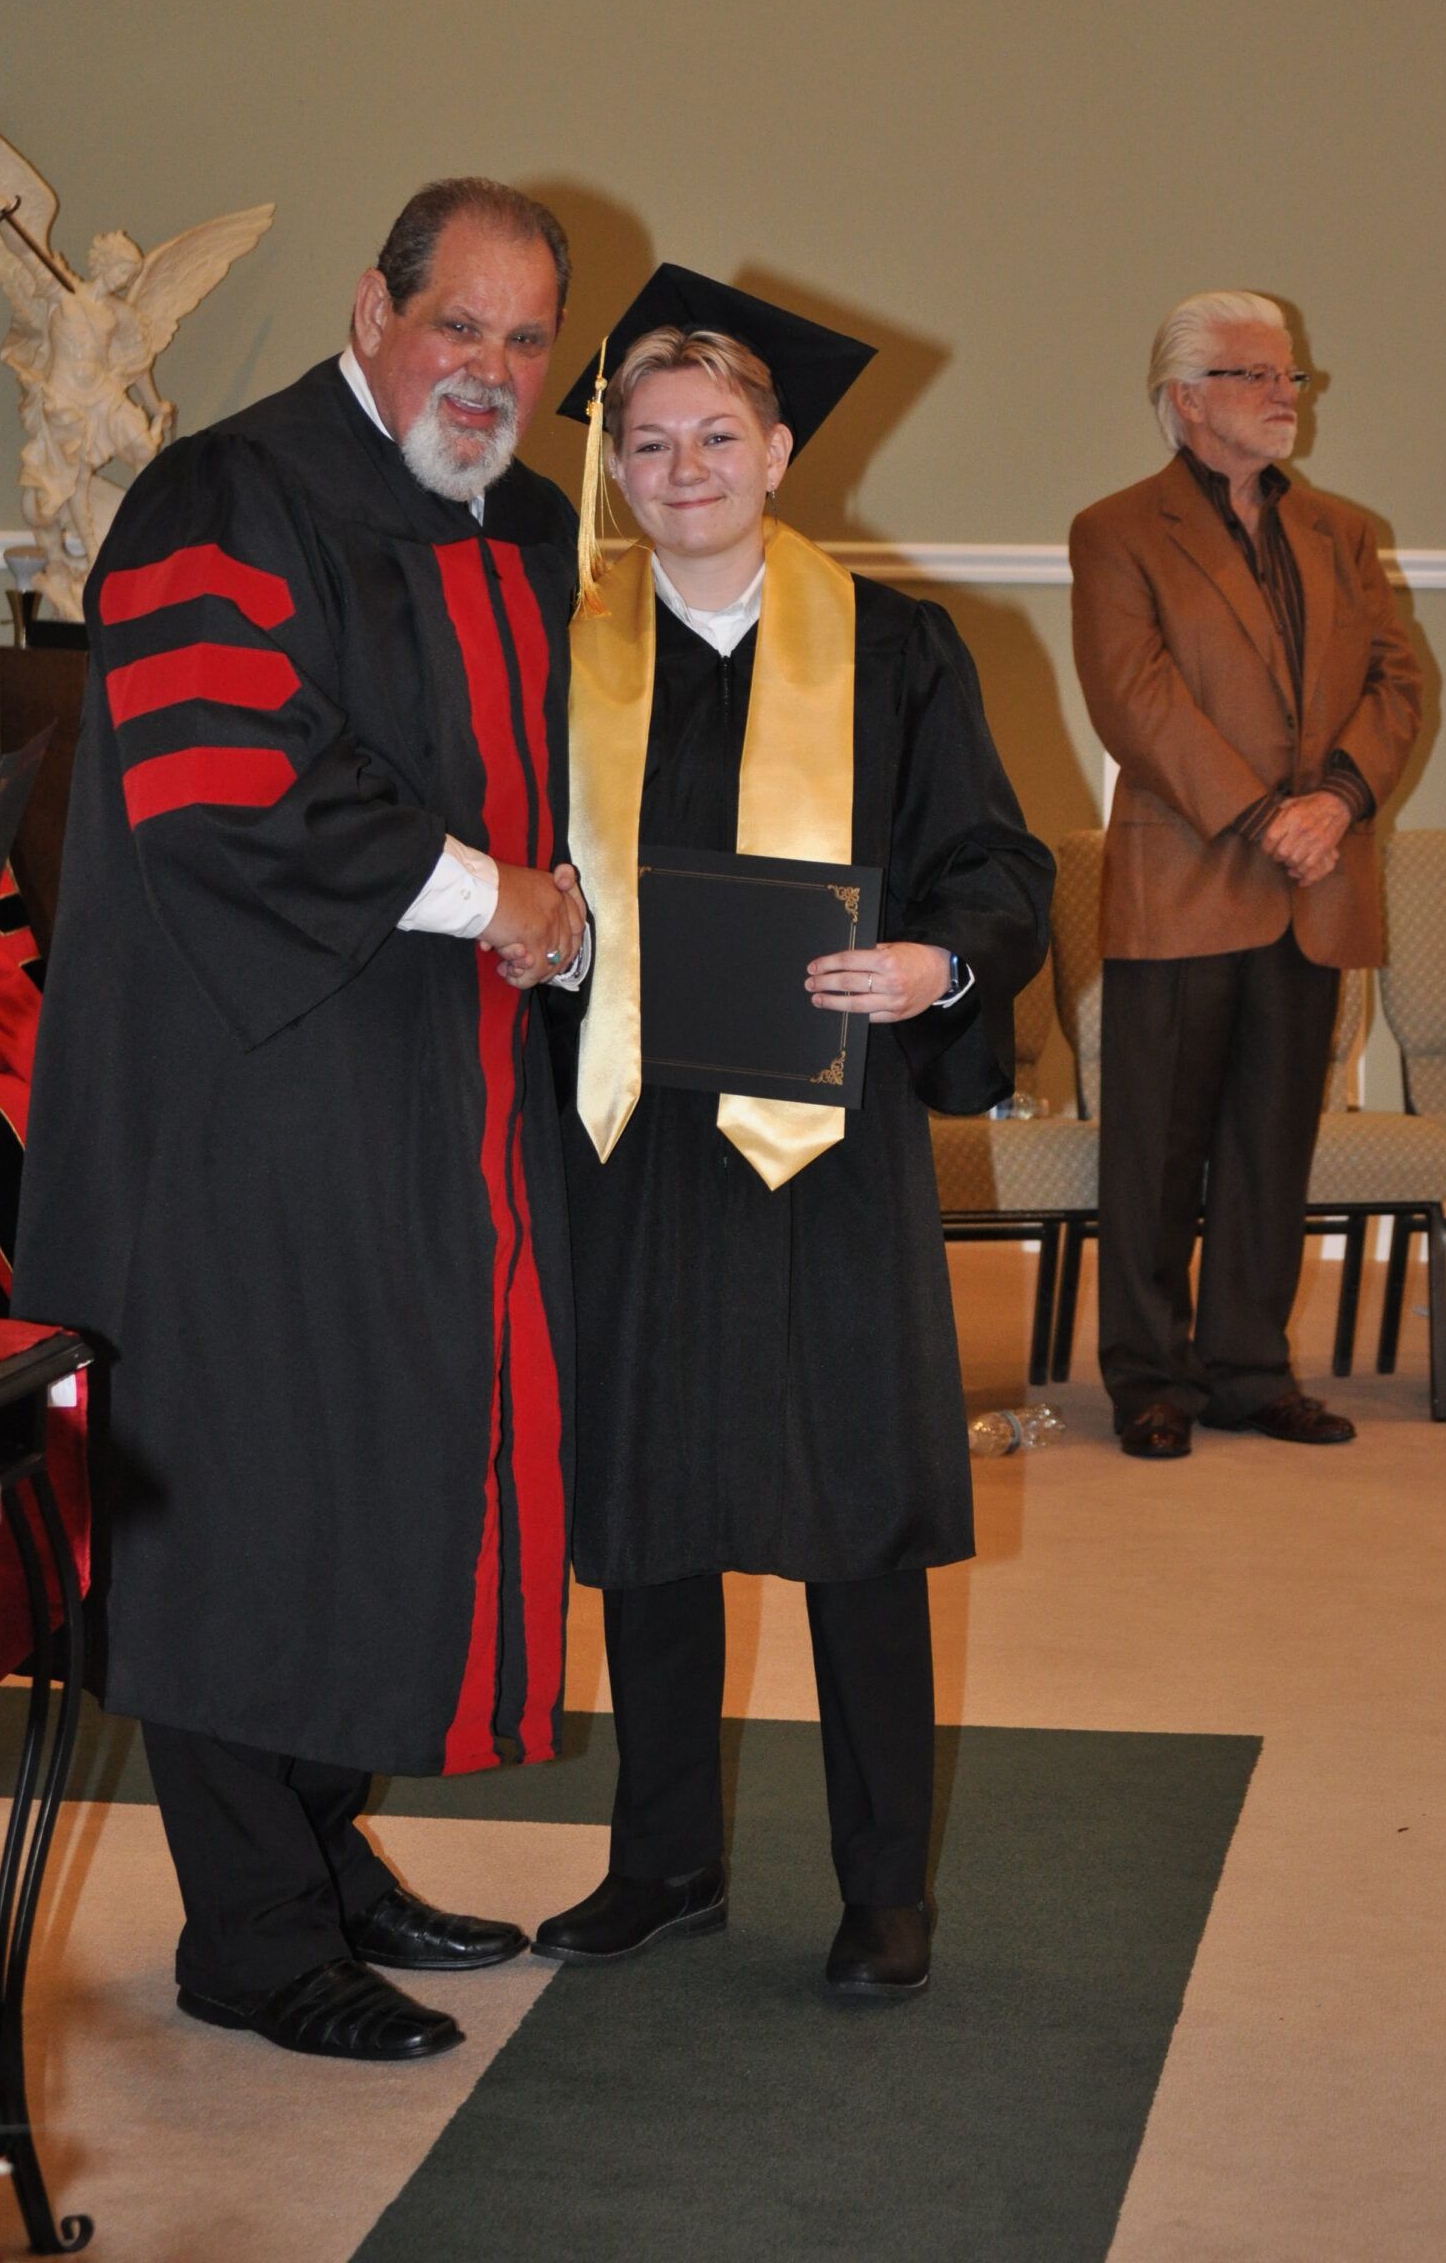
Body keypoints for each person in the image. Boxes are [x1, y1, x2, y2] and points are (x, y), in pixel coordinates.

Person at [12, 178, 588, 2060]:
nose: (489, 373)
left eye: (524, 341)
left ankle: (327, 1856)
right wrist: (486, 894)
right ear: (372, 305)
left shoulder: (521, 520)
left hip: (438, 1094)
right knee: (252, 1489)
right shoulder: (224, 499)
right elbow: (218, 770)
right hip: (241, 1103)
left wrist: (577, 915)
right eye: (460, 327)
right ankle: (250, 1935)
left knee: (398, 1466)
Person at [532, 268, 1052, 1996]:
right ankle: (665, 1856)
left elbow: (997, 867)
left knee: (856, 1517)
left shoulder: (895, 647)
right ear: (619, 468)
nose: (681, 468)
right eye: (651, 443)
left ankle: (884, 1883)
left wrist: (936, 963)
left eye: (716, 437)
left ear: (775, 451)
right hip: (625, 1131)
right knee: (652, 1504)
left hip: (826, 1139)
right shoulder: (563, 650)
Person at [1069, 289, 1422, 1461]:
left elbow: (1397, 684)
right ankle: (1148, 1377)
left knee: (1274, 1144)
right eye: (1257, 375)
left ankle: (1247, 1368)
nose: (1285, 395)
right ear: (1184, 399)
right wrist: (1264, 814)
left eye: (1290, 377)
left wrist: (1337, 804)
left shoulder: (1338, 532)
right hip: (1184, 877)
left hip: (1313, 881)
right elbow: (1135, 699)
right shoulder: (1116, 530)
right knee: (1155, 1149)